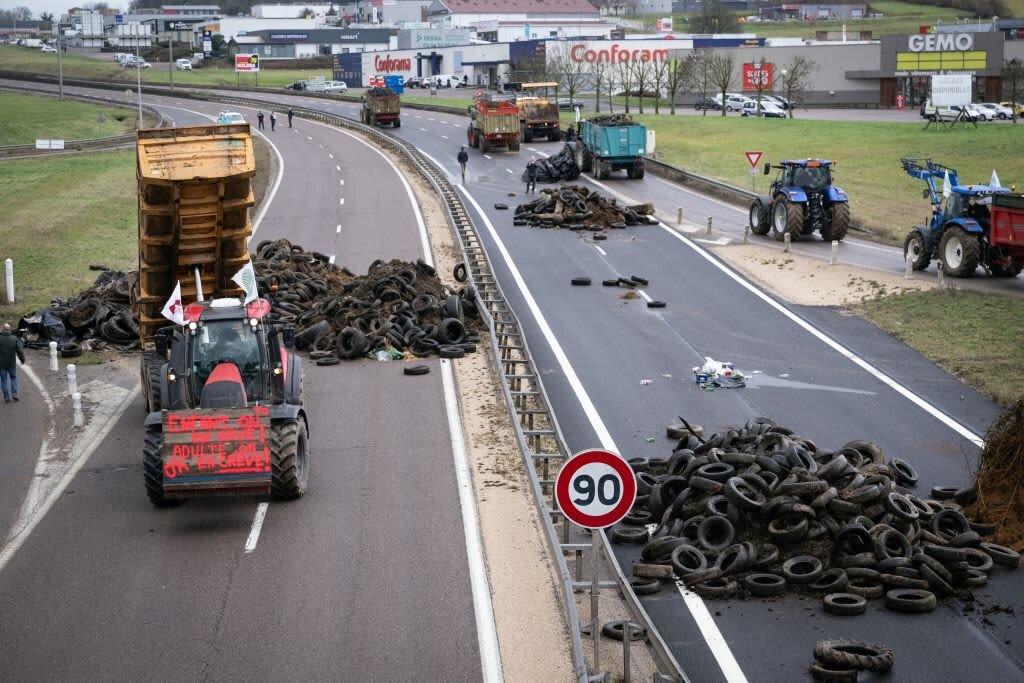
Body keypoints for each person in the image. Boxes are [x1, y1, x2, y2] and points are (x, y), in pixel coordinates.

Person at [0, 323, 25, 403]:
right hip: (11, 363)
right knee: (13, 377)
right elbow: (20, 351)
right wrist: (22, 359)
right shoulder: (14, 338)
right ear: (9, 329)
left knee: (4, 380)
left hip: (1, 364)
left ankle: (6, 397)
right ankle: (14, 394)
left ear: (2, 329)